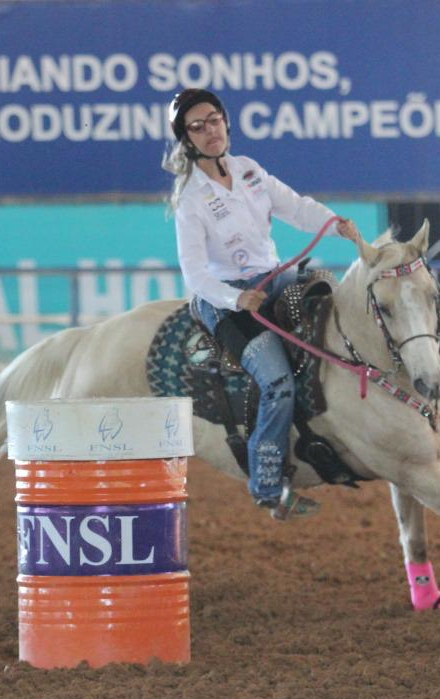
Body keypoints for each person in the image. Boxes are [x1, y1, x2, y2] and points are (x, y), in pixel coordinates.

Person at [163, 88, 361, 520]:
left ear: (225, 121)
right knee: (276, 380)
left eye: (213, 119)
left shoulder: (249, 170)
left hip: (273, 279)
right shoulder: (190, 200)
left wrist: (333, 223)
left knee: (327, 298)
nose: (209, 130)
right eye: (197, 126)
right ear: (187, 139)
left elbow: (295, 207)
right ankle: (268, 484)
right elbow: (195, 275)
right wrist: (237, 297)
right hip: (226, 301)